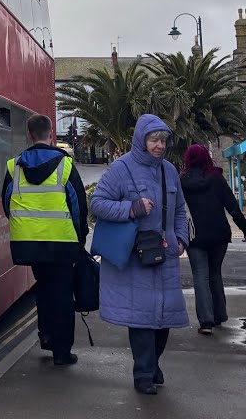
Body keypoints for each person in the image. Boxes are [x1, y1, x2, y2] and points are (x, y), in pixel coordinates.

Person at [90, 115, 189, 395]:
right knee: (142, 320)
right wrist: (131, 209)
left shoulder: (169, 170)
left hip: (166, 254)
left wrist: (182, 238)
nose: (160, 146)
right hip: (137, 256)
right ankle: (143, 374)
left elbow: (180, 209)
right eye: (154, 140)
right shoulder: (121, 169)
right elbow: (97, 203)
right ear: (141, 140)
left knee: (165, 320)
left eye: (163, 140)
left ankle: (152, 364)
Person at [2, 114, 88, 366]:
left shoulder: (14, 166)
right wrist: (80, 238)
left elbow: (7, 202)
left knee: (43, 288)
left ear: (29, 135)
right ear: (51, 134)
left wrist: (25, 227)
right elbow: (78, 207)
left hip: (29, 242)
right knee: (62, 293)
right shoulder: (66, 165)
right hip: (62, 242)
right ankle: (62, 351)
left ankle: (47, 336)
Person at [180, 143, 246, 335]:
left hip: (194, 236)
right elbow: (231, 204)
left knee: (200, 276)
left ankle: (206, 322)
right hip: (219, 235)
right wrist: (245, 229)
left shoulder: (182, 181)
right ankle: (219, 314)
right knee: (215, 273)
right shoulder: (216, 178)